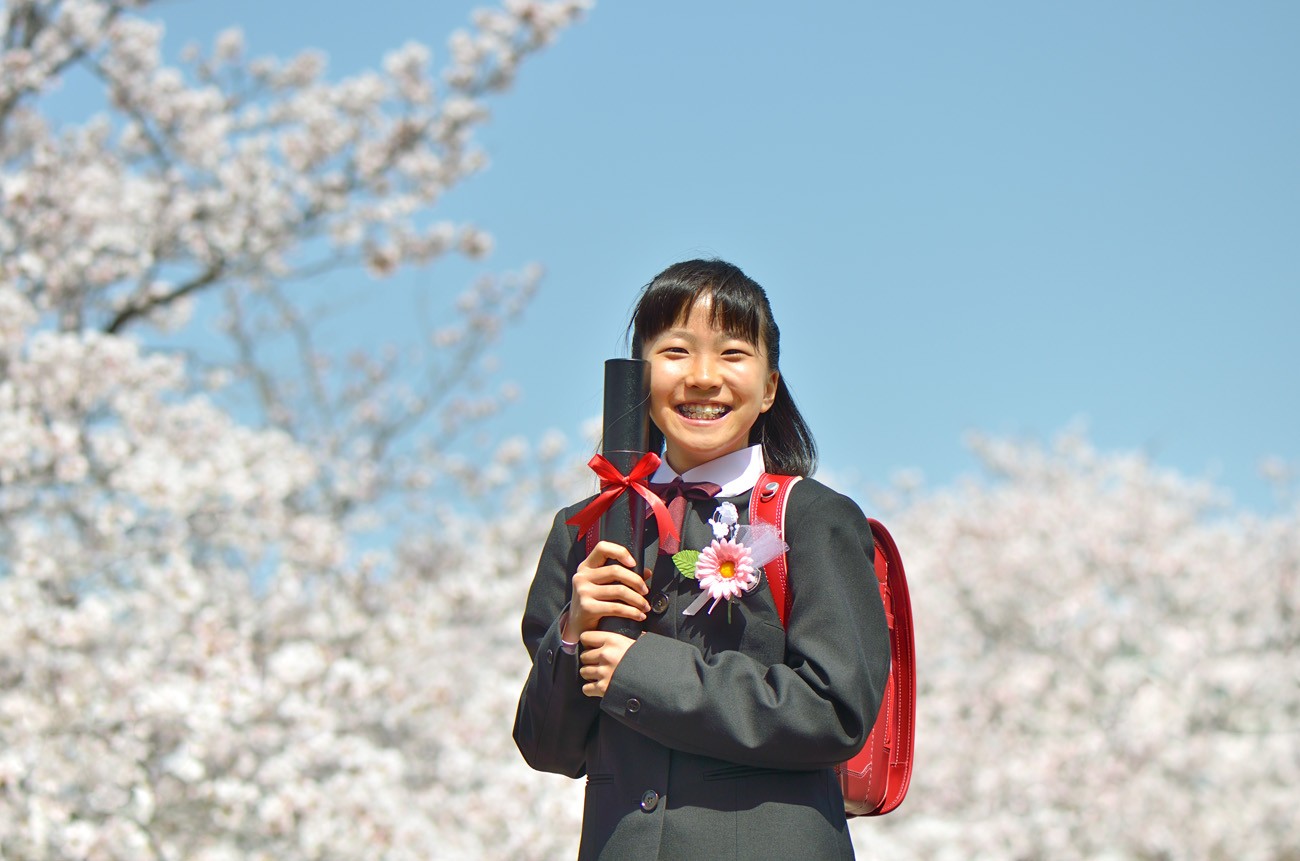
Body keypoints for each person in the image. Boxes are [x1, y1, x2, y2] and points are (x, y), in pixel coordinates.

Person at [513, 259, 891, 860]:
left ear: (769, 387)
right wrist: (571, 631)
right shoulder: (583, 529)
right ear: (639, 376)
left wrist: (641, 671)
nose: (704, 376)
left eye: (734, 353)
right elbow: (546, 747)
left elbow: (836, 711)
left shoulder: (811, 517)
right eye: (676, 351)